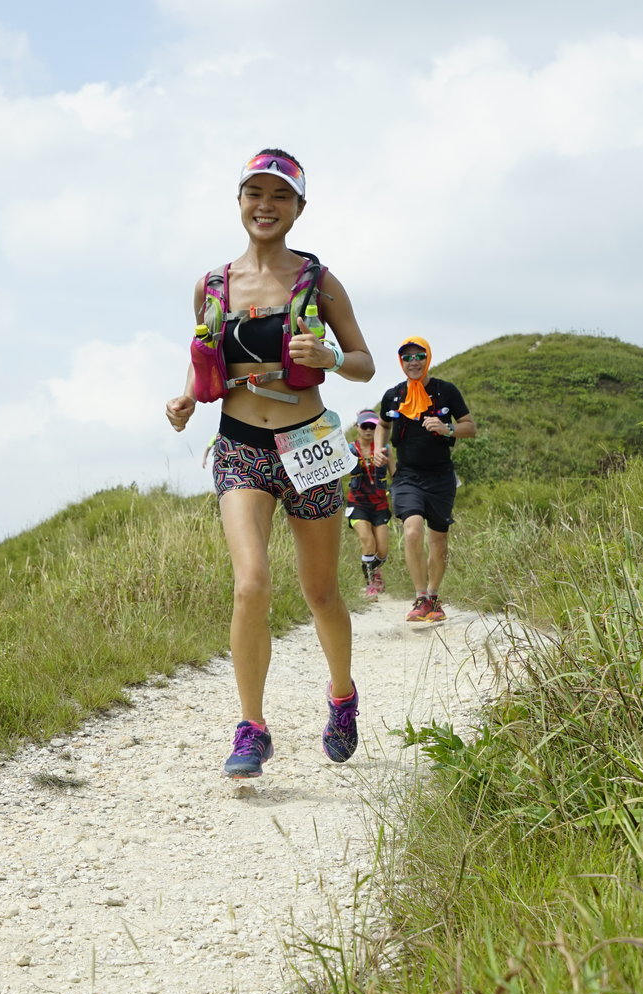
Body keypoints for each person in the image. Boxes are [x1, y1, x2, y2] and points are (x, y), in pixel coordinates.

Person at [165, 148, 375, 778]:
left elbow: (364, 362)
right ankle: (252, 728)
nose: (266, 206)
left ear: (299, 208)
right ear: (239, 202)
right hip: (239, 446)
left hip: (310, 444)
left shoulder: (319, 280)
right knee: (251, 583)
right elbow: (206, 355)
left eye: (280, 195)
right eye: (255, 193)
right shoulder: (212, 285)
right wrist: (185, 399)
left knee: (321, 591)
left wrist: (330, 357)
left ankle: (342, 696)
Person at [374, 336, 476, 623]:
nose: (413, 362)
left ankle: (433, 596)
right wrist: (379, 448)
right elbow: (383, 424)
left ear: (428, 358)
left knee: (439, 540)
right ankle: (420, 598)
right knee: (412, 530)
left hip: (441, 476)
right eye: (407, 357)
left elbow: (470, 427)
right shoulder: (393, 395)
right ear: (401, 362)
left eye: (419, 356)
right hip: (407, 476)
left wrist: (447, 429)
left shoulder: (446, 391)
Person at [344, 408, 391, 598]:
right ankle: (370, 584)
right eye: (365, 426)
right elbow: (335, 473)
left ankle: (375, 570)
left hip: (380, 504)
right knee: (368, 542)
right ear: (357, 427)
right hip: (357, 504)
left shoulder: (384, 449)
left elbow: (395, 473)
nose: (369, 430)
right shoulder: (348, 450)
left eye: (373, 426)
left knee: (382, 551)